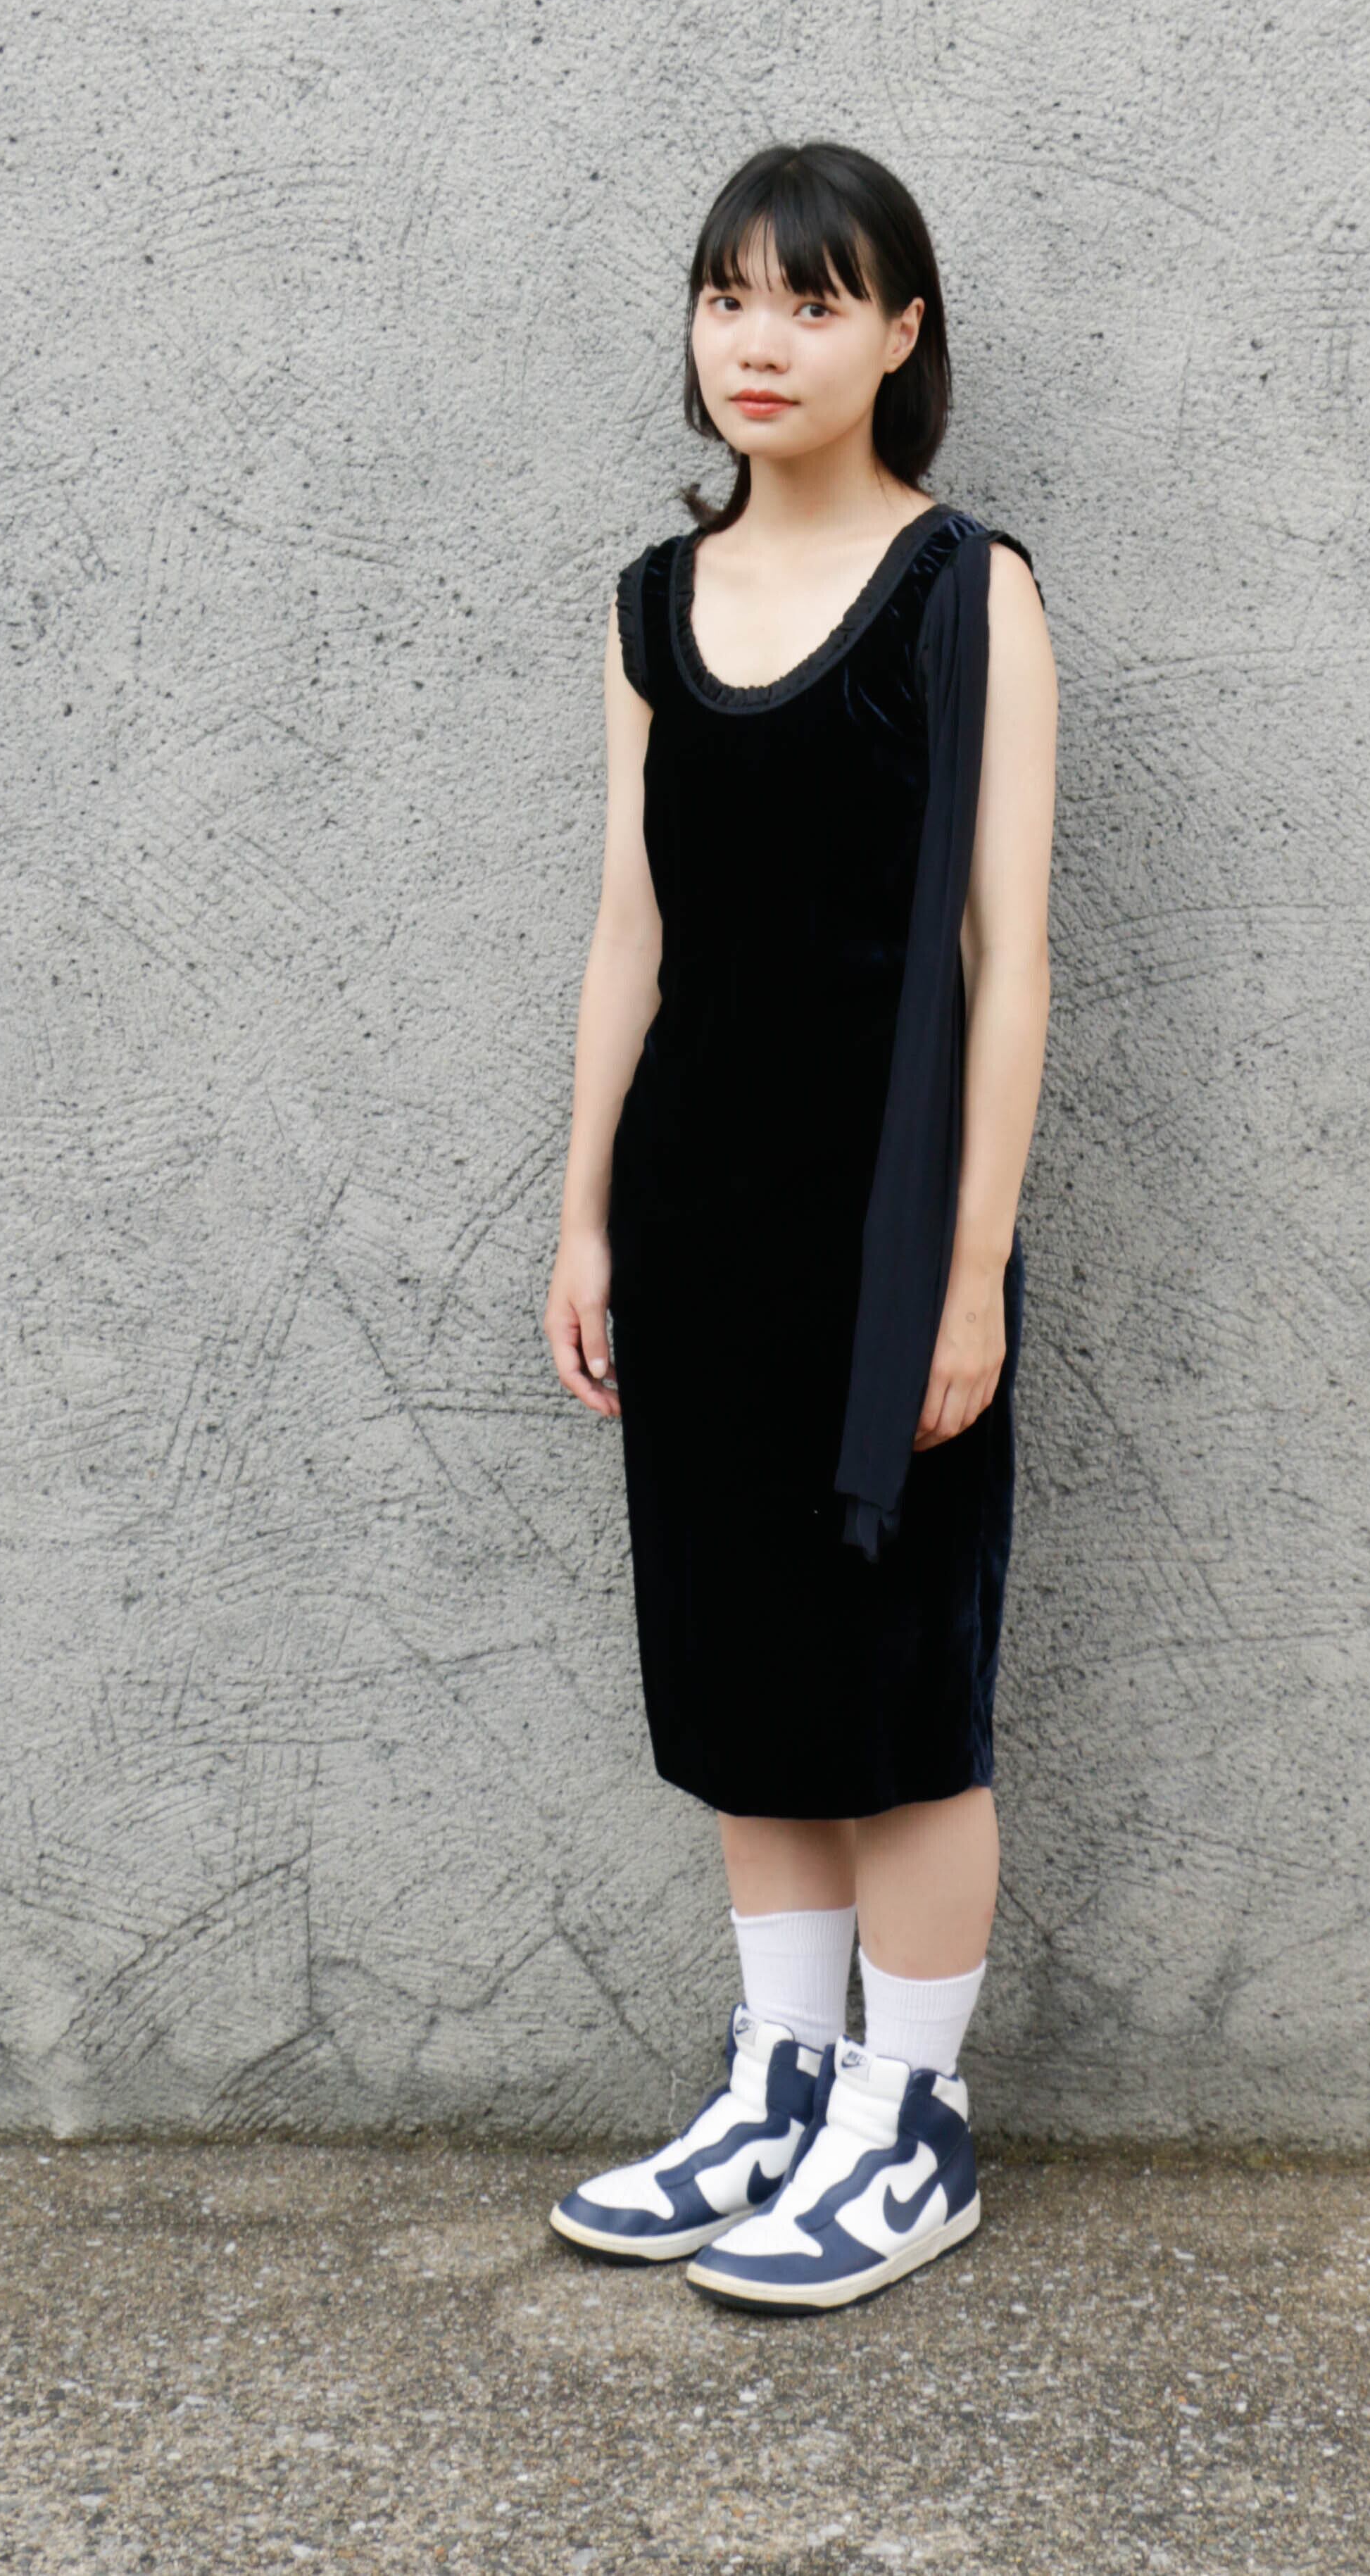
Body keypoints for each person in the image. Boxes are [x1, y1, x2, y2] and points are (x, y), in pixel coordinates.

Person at [540, 139, 1058, 2311]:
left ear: (899, 333)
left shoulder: (965, 590)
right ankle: (782, 2082)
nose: (759, 341)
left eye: (815, 301)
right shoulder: (648, 605)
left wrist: (967, 1268)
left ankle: (907, 2121)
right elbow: (629, 927)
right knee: (743, 1664)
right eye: (728, 296)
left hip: (886, 1223)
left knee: (893, 1682)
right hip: (697, 1209)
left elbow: (1005, 958)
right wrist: (584, 1216)